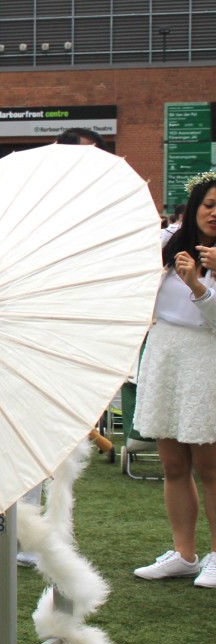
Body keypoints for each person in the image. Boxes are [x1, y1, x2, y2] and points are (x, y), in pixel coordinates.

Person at [133, 171, 216, 588]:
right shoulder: (167, 248)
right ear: (194, 209)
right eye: (209, 205)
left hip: (208, 358)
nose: (215, 214)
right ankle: (185, 554)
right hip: (165, 354)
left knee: (210, 465)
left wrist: (200, 285)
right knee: (173, 463)